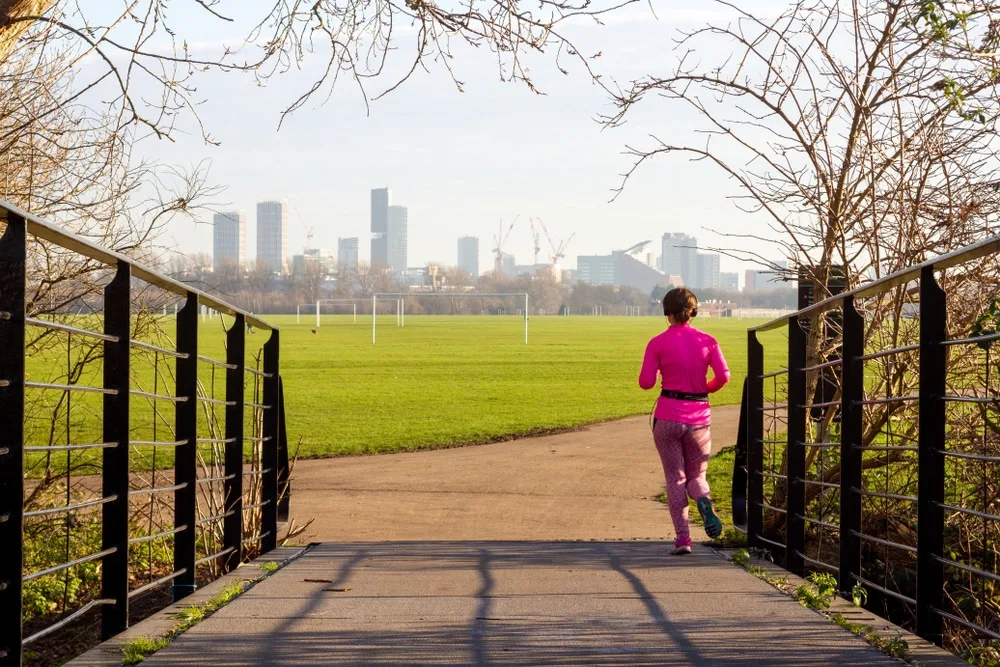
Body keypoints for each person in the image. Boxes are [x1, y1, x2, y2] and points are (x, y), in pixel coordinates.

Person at [639, 288, 730, 555]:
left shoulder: (657, 343)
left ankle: (683, 539)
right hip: (699, 417)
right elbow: (724, 376)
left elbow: (645, 383)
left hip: (668, 416)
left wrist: (659, 374)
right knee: (697, 476)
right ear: (694, 311)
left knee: (675, 479)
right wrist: (705, 389)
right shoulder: (707, 340)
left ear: (666, 313)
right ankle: (703, 499)